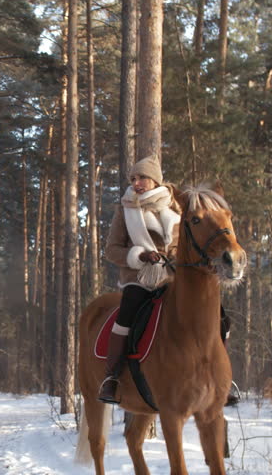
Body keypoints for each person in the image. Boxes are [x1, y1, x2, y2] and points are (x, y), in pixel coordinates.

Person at [98, 157, 180, 404]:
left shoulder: (176, 208)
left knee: (210, 310)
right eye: (133, 179)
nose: (136, 183)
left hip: (172, 277)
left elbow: (182, 244)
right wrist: (140, 255)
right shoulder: (125, 209)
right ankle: (111, 377)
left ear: (155, 179)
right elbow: (111, 250)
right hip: (138, 276)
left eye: (141, 177)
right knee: (128, 310)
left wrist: (173, 258)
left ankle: (217, 376)